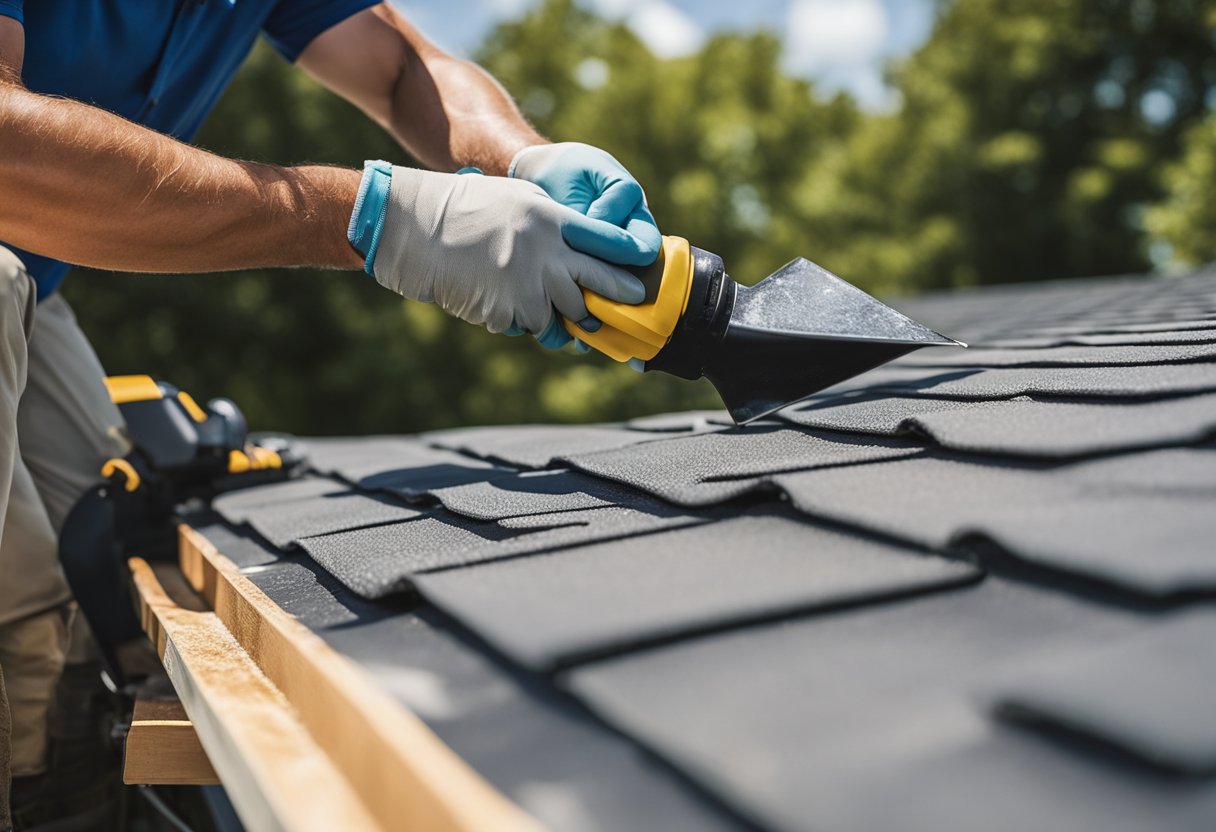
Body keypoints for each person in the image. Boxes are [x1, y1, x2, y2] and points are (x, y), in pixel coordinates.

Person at [0, 2, 660, 827]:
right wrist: (374, 220)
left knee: (87, 571)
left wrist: (524, 156)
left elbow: (394, 64)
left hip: (29, 279)